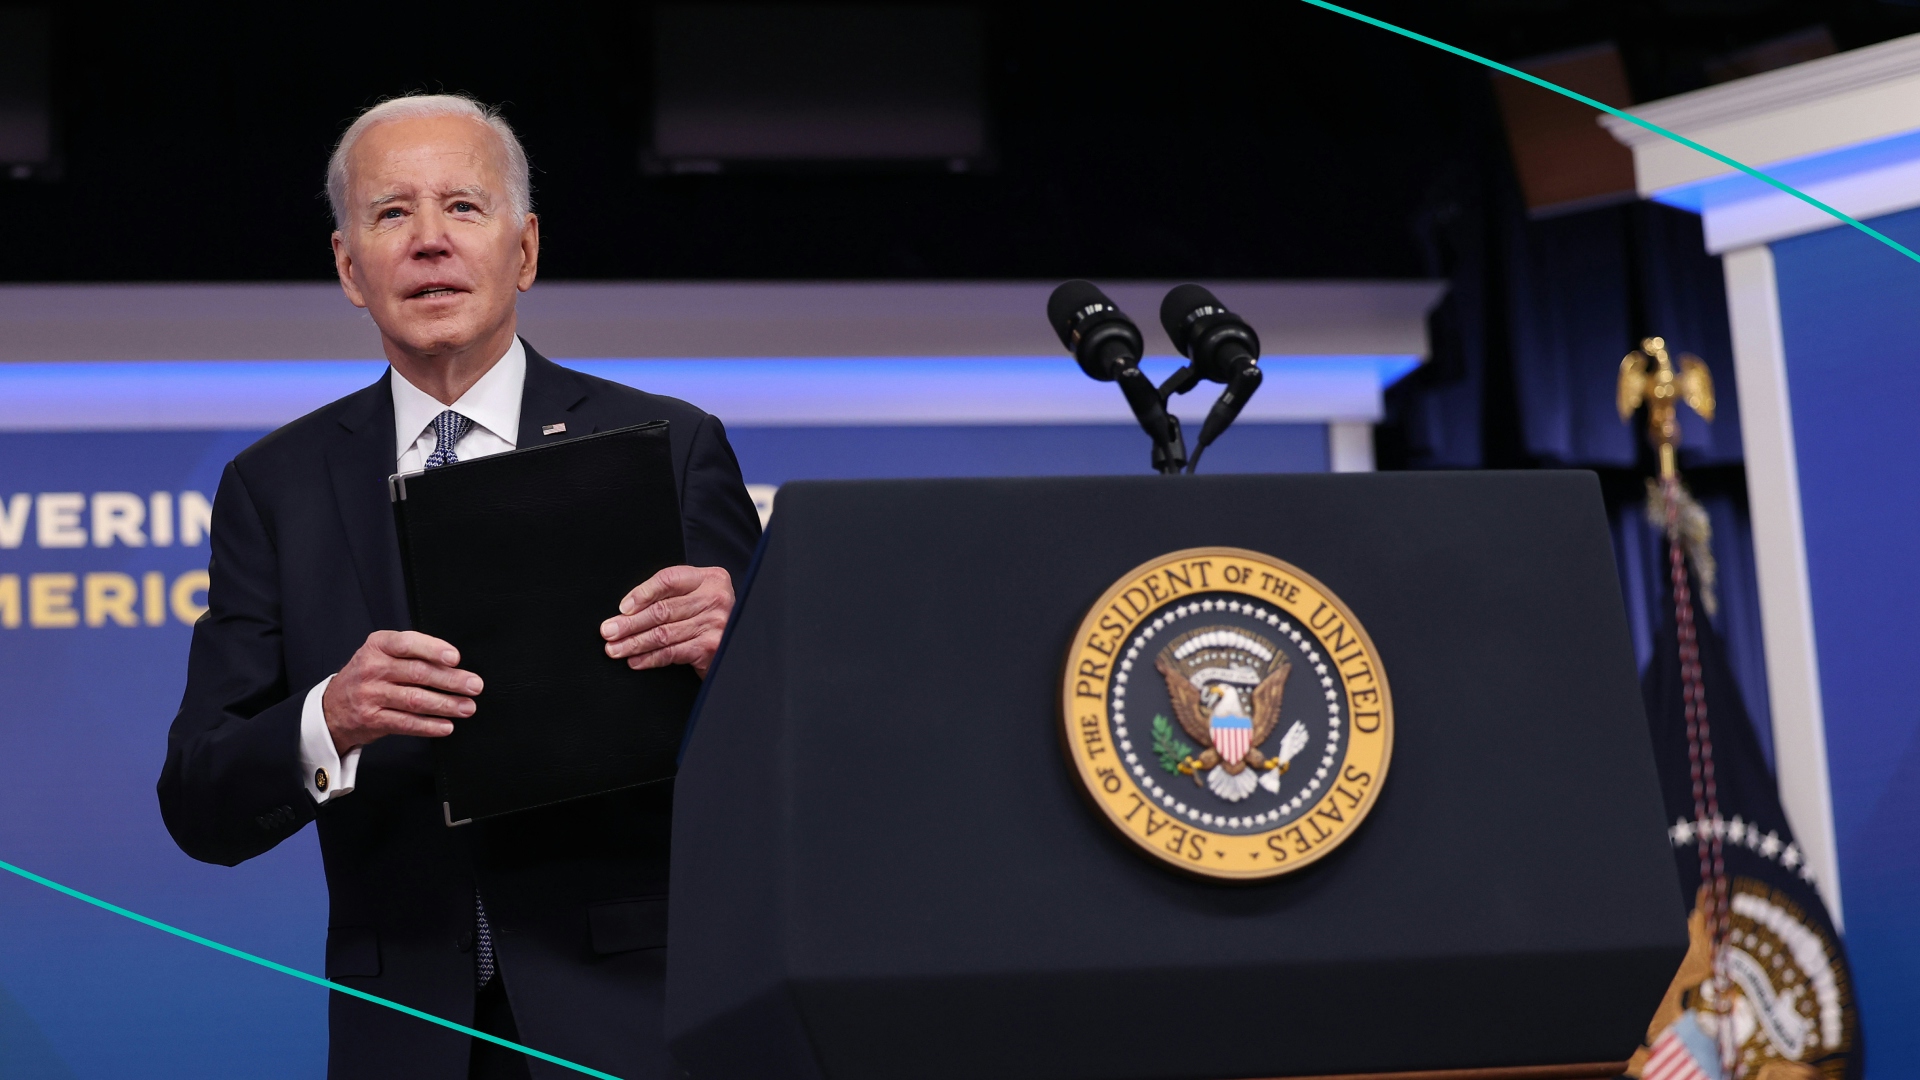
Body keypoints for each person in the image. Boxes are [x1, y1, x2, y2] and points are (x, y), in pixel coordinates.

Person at [156, 93, 761, 1080]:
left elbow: (780, 752)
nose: (430, 241)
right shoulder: (274, 488)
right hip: (404, 1038)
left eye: (464, 208)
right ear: (351, 268)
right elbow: (199, 799)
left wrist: (741, 651)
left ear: (523, 252)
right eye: (393, 213)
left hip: (635, 1023)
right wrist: (332, 718)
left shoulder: (670, 447)